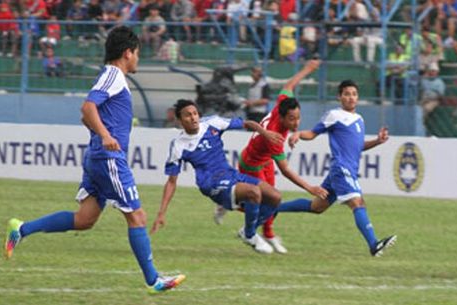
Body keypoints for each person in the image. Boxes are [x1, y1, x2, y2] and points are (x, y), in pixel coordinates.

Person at [4, 26, 185, 293]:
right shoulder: (113, 75)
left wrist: (99, 132)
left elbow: (86, 115)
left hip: (97, 157)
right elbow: (87, 108)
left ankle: (21, 229)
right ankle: (153, 280)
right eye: (136, 53)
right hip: (108, 158)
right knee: (137, 216)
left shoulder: (111, 77)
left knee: (85, 219)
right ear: (127, 53)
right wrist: (105, 135)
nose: (138, 59)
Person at [216, 60, 328, 254]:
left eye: (298, 117)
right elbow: (285, 169)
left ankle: (268, 234)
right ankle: (235, 213)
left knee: (272, 201)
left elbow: (288, 86)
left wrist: (307, 69)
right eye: (292, 119)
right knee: (262, 202)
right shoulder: (274, 137)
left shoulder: (282, 104)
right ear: (282, 118)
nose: (296, 122)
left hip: (265, 161)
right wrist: (310, 187)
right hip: (251, 164)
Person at [276, 80, 398, 257]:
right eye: (347, 94)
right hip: (342, 168)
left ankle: (274, 208)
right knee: (358, 202)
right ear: (339, 97)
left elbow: (357, 146)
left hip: (344, 170)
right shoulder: (334, 115)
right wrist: (298, 134)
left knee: (316, 206)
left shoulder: (359, 119)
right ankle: (374, 244)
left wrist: (377, 141)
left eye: (354, 94)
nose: (351, 97)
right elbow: (313, 133)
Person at [151, 99, 285, 254]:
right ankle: (250, 236)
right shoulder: (178, 145)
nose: (193, 117)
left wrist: (265, 133)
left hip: (230, 174)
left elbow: (247, 123)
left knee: (275, 197)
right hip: (211, 183)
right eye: (188, 115)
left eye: (195, 113)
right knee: (253, 193)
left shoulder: (212, 123)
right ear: (180, 120)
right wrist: (161, 213)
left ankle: (247, 231)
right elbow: (171, 182)